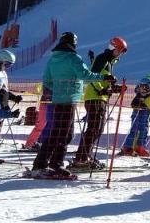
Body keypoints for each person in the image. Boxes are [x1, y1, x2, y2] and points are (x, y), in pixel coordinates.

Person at [33, 33, 106, 179]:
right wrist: (103, 77)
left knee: (59, 132)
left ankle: (49, 163)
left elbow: (47, 80)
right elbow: (85, 75)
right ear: (74, 43)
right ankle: (51, 164)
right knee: (63, 134)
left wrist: (58, 89)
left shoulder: (53, 59)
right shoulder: (73, 58)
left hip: (58, 100)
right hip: (69, 100)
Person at [72, 36, 126, 169]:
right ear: (113, 47)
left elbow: (104, 81)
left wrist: (115, 88)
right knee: (95, 128)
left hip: (99, 97)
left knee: (96, 129)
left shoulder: (109, 62)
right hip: (94, 97)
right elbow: (92, 76)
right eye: (119, 50)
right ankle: (82, 158)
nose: (121, 54)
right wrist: (100, 90)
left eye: (122, 52)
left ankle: (85, 156)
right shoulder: (102, 59)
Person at [120, 75, 150, 157]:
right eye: (141, 88)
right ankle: (128, 148)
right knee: (134, 131)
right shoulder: (139, 96)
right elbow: (133, 104)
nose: (143, 90)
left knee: (144, 132)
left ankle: (140, 148)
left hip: (145, 117)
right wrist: (140, 104)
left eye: (145, 88)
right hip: (136, 116)